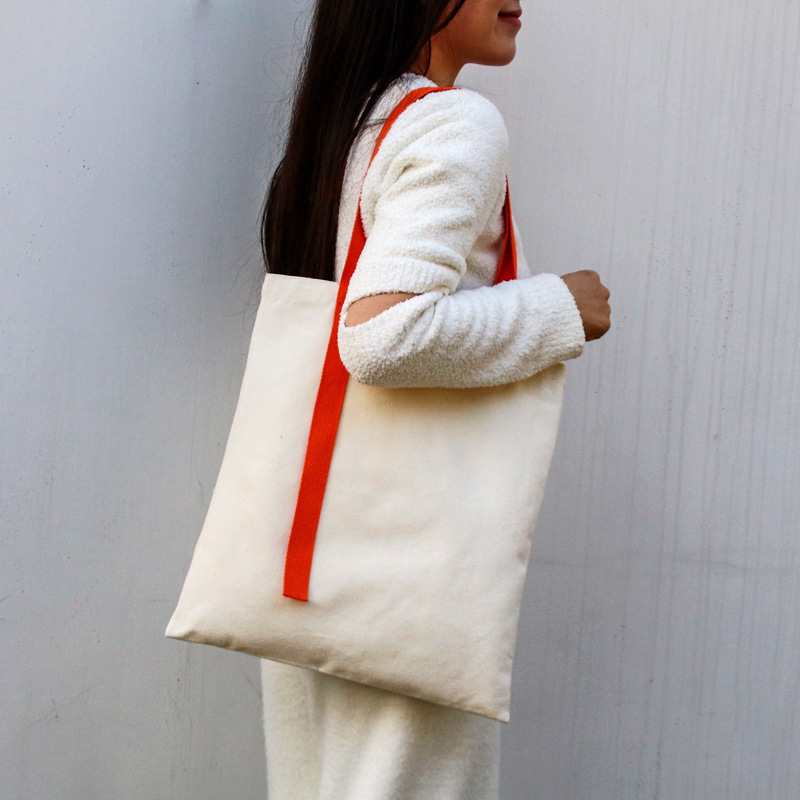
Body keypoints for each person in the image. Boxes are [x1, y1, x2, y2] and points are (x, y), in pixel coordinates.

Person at [258, 0, 611, 798]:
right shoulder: (453, 123)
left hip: (308, 557)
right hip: (403, 571)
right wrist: (559, 308)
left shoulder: (342, 129)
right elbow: (381, 335)